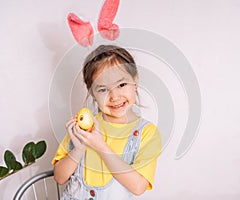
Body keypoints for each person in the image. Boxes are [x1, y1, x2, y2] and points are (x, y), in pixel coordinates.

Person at [52, 44, 162, 200]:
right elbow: (59, 177)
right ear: (92, 93)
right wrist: (78, 149)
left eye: (121, 85)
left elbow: (138, 187)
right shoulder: (83, 128)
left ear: (135, 81)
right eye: (103, 89)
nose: (114, 96)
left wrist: (100, 146)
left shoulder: (147, 133)